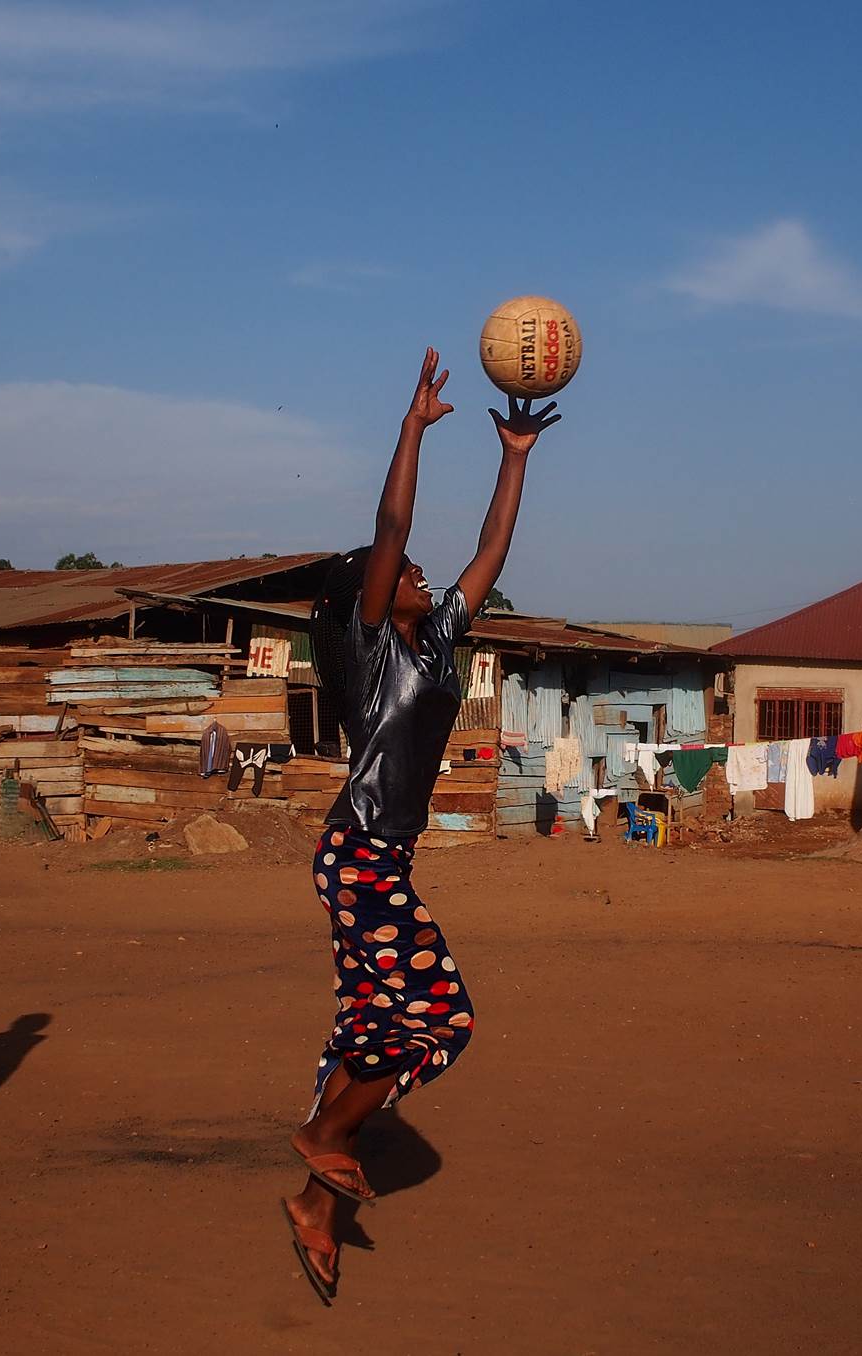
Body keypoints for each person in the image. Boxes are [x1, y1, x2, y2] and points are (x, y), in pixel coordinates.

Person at [280, 349, 558, 1302]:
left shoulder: (436, 643)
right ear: (370, 589)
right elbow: (392, 524)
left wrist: (514, 455)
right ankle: (320, 1138)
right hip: (357, 857)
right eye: (397, 572)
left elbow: (490, 551)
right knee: (438, 1019)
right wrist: (412, 428)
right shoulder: (365, 650)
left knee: (384, 1027)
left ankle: (315, 1202)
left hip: (376, 859)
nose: (418, 571)